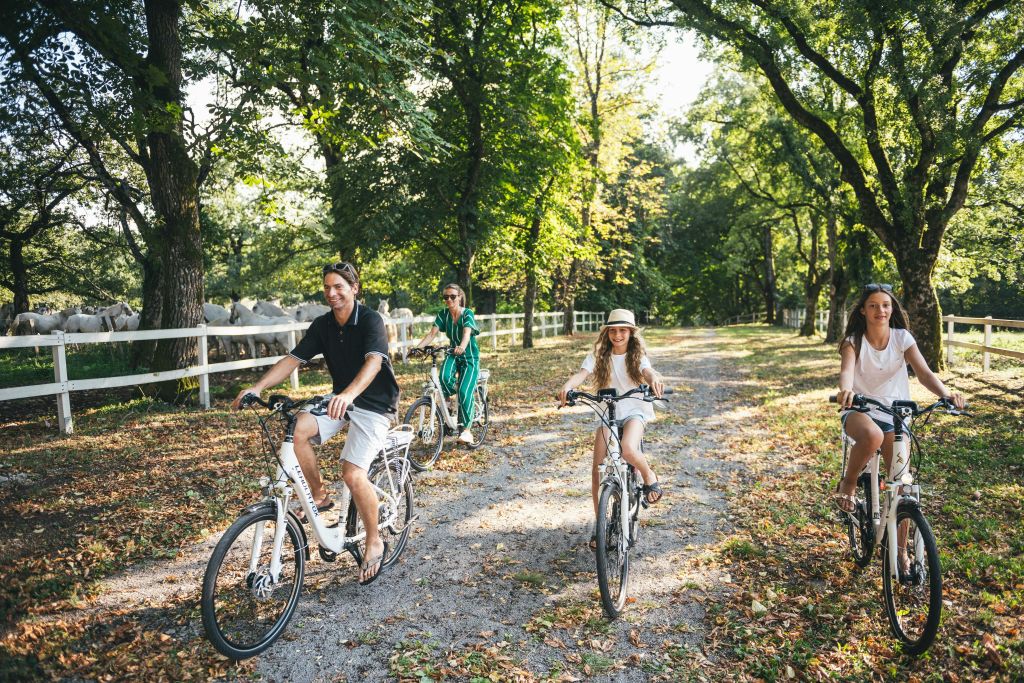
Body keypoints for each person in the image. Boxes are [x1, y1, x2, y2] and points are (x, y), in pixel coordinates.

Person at [231, 262, 400, 585]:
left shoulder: (370, 320)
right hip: (340, 398)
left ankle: (374, 539)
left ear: (354, 288)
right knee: (297, 430)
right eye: (327, 287)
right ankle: (320, 497)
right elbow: (293, 358)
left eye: (339, 286)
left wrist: (349, 394)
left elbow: (374, 362)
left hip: (374, 403)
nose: (332, 293)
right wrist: (258, 387)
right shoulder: (323, 325)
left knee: (352, 473)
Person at [834, 284, 965, 518]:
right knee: (872, 435)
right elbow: (846, 373)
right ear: (863, 310)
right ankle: (849, 483)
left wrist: (946, 395)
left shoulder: (902, 338)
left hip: (895, 414)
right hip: (860, 410)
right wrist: (846, 391)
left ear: (892, 309)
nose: (880, 310)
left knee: (903, 487)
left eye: (885, 305)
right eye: (873, 305)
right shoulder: (853, 341)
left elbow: (924, 373)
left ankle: (901, 553)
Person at [558, 309, 666, 549]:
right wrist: (568, 387)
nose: (618, 335)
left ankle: (649, 475)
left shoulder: (637, 356)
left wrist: (654, 379)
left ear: (630, 333)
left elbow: (648, 372)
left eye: (623, 330)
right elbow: (582, 375)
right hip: (609, 412)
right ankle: (601, 526)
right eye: (613, 330)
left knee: (628, 448)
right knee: (598, 470)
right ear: (607, 333)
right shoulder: (599, 354)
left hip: (634, 410)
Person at [413, 283, 481, 444]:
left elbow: (466, 333)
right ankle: (449, 404)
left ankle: (466, 431)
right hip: (452, 354)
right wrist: (417, 349)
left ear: (459, 297)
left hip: (469, 356)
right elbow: (432, 334)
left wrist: (462, 347)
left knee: (464, 392)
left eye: (452, 296)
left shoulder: (467, 314)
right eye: (446, 297)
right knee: (442, 379)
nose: (449, 299)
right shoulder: (443, 314)